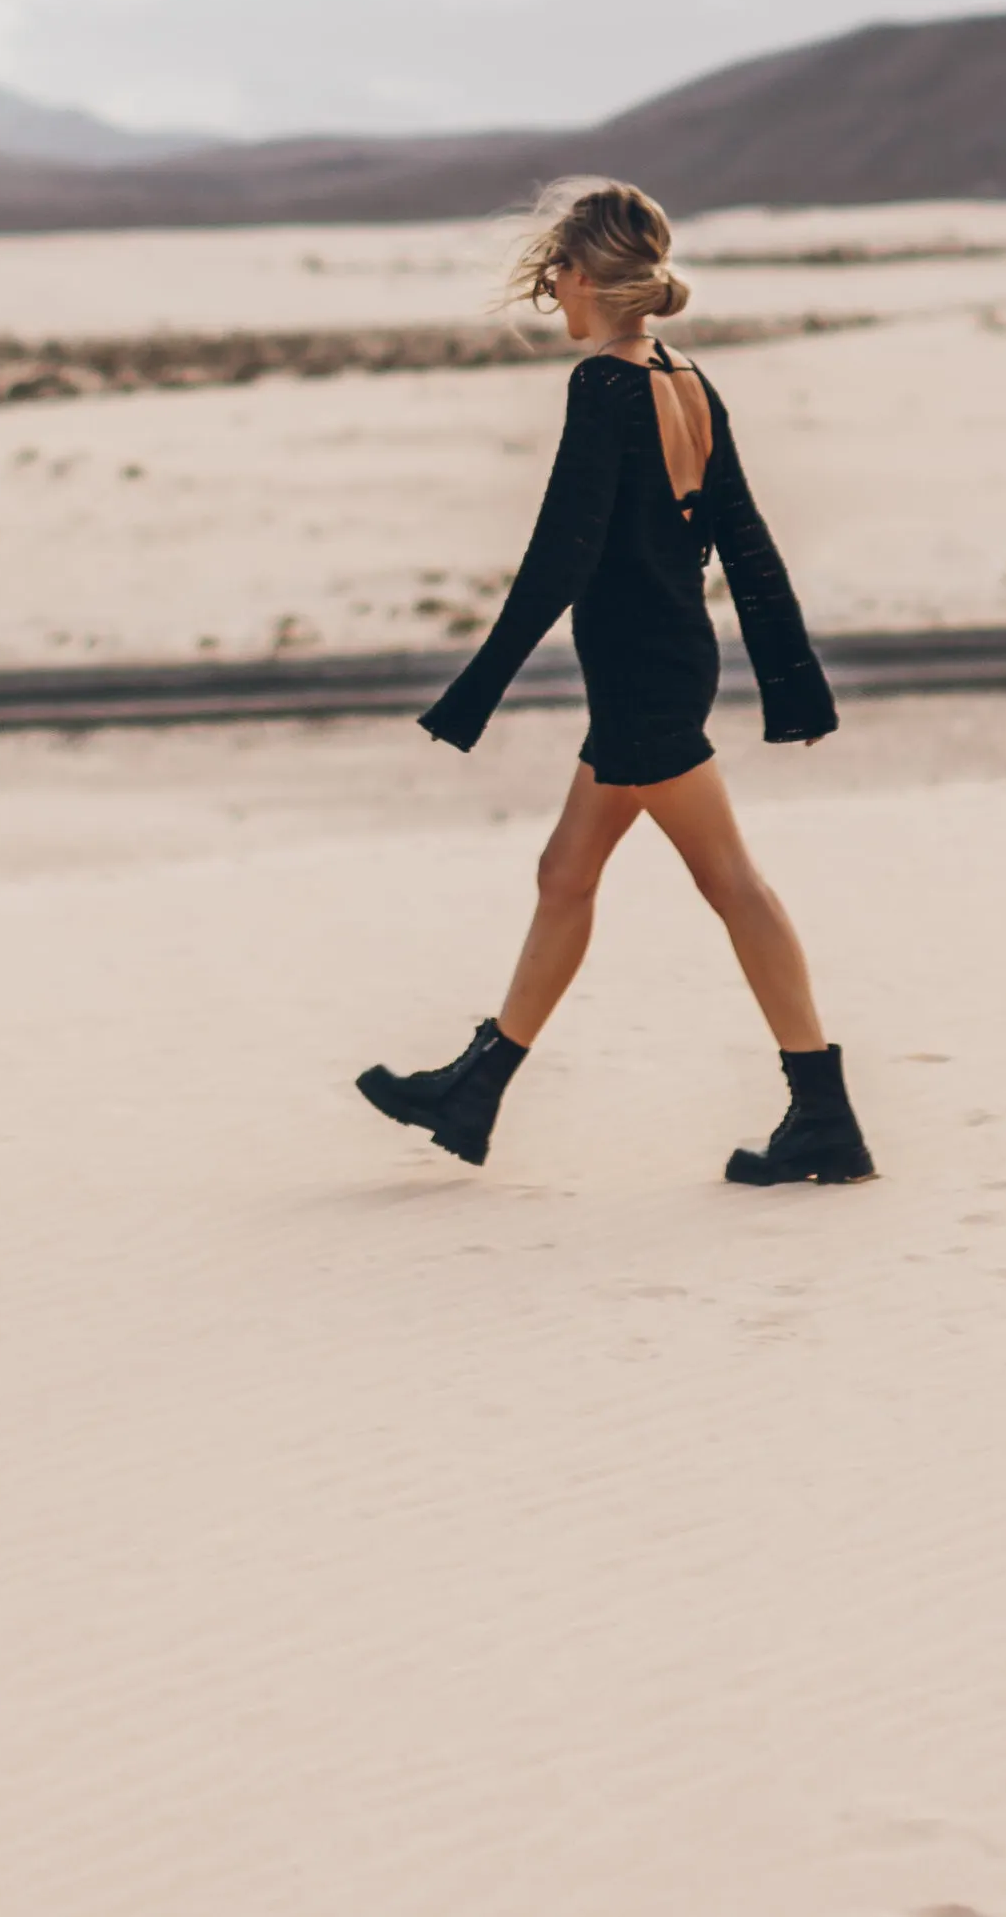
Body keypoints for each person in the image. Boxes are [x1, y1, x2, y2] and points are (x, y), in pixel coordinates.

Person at [357, 177, 873, 1186]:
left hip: (641, 675)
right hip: (665, 663)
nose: (551, 287)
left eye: (558, 271)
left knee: (730, 883)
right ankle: (475, 1088)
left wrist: (474, 690)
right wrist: (790, 681)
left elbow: (561, 553)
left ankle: (824, 1112)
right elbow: (748, 543)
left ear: (591, 277)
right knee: (567, 873)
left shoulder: (604, 387)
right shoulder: (685, 379)